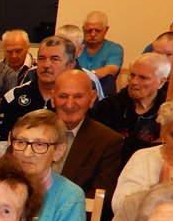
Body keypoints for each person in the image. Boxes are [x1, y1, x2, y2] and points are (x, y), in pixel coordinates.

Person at [9, 110, 85, 221]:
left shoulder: (70, 196)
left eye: (39, 145)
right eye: (21, 142)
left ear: (58, 151)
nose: (27, 153)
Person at [0, 36, 76, 159]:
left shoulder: (76, 102)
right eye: (42, 58)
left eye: (55, 59)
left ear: (70, 65)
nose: (46, 65)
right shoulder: (13, 97)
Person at [50, 69, 123, 200]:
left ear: (92, 98)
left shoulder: (107, 141)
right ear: (52, 98)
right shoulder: (31, 131)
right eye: (63, 96)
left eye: (78, 97)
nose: (69, 104)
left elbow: (99, 198)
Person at [92, 53, 170, 163]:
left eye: (143, 78)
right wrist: (152, 146)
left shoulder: (169, 110)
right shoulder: (108, 106)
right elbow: (106, 147)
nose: (133, 82)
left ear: (161, 82)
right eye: (132, 75)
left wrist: (127, 143)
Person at [79, 10, 124, 95]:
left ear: (106, 30)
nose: (93, 34)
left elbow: (112, 70)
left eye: (97, 30)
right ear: (83, 29)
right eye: (89, 30)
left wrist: (82, 77)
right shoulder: (75, 46)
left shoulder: (114, 48)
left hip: (103, 94)